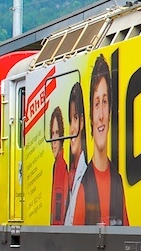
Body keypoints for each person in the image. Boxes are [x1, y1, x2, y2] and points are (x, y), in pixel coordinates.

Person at [72, 55, 129, 226]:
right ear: (90, 116)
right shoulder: (83, 187)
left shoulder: (118, 182)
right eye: (97, 104)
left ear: (110, 111)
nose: (102, 115)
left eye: (105, 102)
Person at [63, 82, 87, 226]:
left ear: (82, 122)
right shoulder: (70, 174)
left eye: (76, 118)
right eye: (70, 120)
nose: (72, 129)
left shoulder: (87, 174)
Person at [48, 107, 69, 225]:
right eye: (52, 134)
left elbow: (58, 216)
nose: (54, 140)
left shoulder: (61, 168)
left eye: (57, 133)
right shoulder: (56, 166)